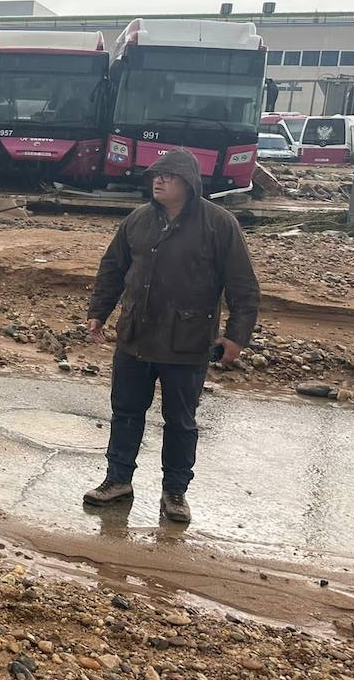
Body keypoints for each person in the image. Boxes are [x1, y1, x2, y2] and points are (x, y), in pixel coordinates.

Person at [82, 148, 259, 524]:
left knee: (180, 421)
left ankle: (175, 492)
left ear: (189, 184)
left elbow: (243, 287)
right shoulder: (138, 220)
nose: (158, 181)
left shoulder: (219, 224)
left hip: (188, 342)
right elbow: (112, 269)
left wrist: (236, 337)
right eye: (155, 176)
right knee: (126, 412)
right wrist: (98, 312)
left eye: (168, 176)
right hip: (135, 337)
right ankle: (117, 481)